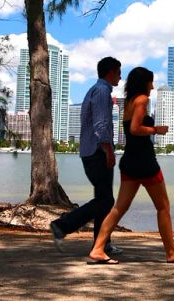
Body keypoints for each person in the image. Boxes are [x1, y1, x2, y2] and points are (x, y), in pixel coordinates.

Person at [87, 67, 174, 264]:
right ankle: (171, 252)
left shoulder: (129, 102)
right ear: (143, 82)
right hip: (145, 162)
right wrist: (156, 129)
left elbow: (131, 129)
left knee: (118, 208)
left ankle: (97, 249)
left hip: (129, 162)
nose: (153, 87)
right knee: (163, 206)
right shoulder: (141, 100)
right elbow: (136, 129)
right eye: (151, 82)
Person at [49, 56, 122, 256]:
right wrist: (107, 149)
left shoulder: (96, 90)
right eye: (118, 72)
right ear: (110, 72)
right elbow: (101, 124)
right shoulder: (102, 91)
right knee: (105, 201)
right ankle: (62, 226)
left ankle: (102, 243)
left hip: (92, 151)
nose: (120, 76)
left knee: (103, 198)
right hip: (97, 152)